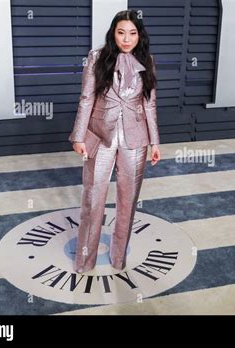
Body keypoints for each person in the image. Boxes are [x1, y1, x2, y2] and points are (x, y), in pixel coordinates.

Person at [68, 10, 161, 273]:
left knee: (128, 202)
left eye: (132, 33)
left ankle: (119, 259)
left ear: (139, 35)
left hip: (136, 138)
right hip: (99, 136)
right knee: (93, 199)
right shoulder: (97, 57)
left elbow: (150, 104)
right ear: (113, 33)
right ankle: (84, 262)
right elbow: (86, 98)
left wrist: (155, 142)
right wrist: (78, 136)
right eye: (121, 32)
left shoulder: (147, 60)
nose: (126, 38)